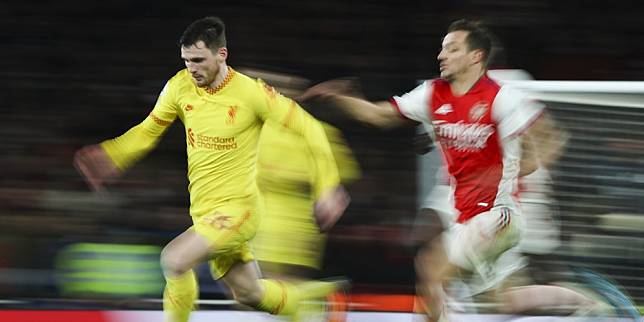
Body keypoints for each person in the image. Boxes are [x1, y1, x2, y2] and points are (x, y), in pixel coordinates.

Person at [300, 19, 596, 321]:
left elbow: (551, 139)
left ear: (475, 57)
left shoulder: (503, 97)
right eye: (443, 49)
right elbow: (379, 115)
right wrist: (336, 100)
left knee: (432, 269)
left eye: (452, 49)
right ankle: (586, 303)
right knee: (502, 300)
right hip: (467, 214)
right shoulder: (433, 94)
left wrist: (507, 173)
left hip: (498, 213)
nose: (442, 55)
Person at [74, 16, 349, 322]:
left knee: (175, 260)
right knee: (249, 294)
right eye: (186, 60)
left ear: (222, 54)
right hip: (205, 211)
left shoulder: (252, 94)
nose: (192, 68)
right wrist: (113, 153)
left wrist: (327, 186)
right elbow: (149, 129)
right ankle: (317, 300)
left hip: (238, 211)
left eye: (198, 60)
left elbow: (309, 128)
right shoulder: (180, 87)